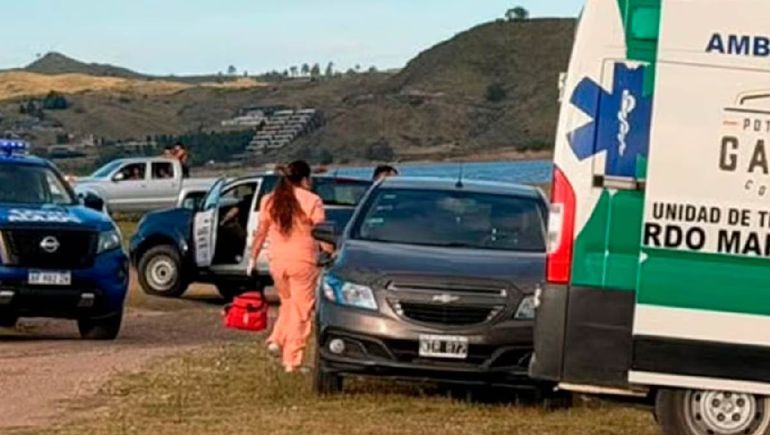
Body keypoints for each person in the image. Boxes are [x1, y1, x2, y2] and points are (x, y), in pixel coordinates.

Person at [249, 160, 327, 373]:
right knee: (301, 311)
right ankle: (292, 360)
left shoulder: (269, 200)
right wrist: (331, 252)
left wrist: (252, 258)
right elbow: (321, 232)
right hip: (303, 260)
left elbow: (261, 232)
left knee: (288, 303)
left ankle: (277, 338)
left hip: (277, 261)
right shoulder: (312, 200)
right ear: (304, 179)